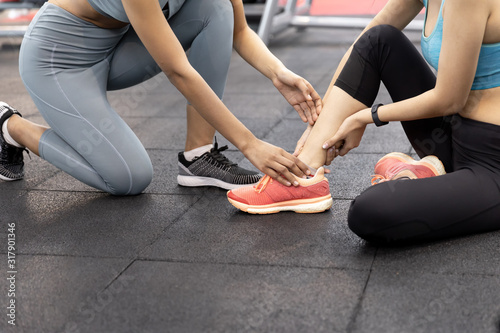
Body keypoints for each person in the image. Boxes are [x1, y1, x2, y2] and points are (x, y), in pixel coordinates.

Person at [228, 0, 500, 244]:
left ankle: (429, 177)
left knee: (369, 212)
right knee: (379, 40)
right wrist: (321, 124)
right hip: (452, 135)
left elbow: (450, 98)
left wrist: (367, 116)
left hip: (490, 165)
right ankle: (302, 177)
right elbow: (362, 46)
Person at [0, 0, 324, 194]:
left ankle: (200, 156)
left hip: (118, 47)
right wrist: (250, 143)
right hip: (59, 61)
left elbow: (238, 29)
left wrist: (278, 72)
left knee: (215, 6)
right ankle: (10, 127)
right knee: (129, 178)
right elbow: (178, 71)